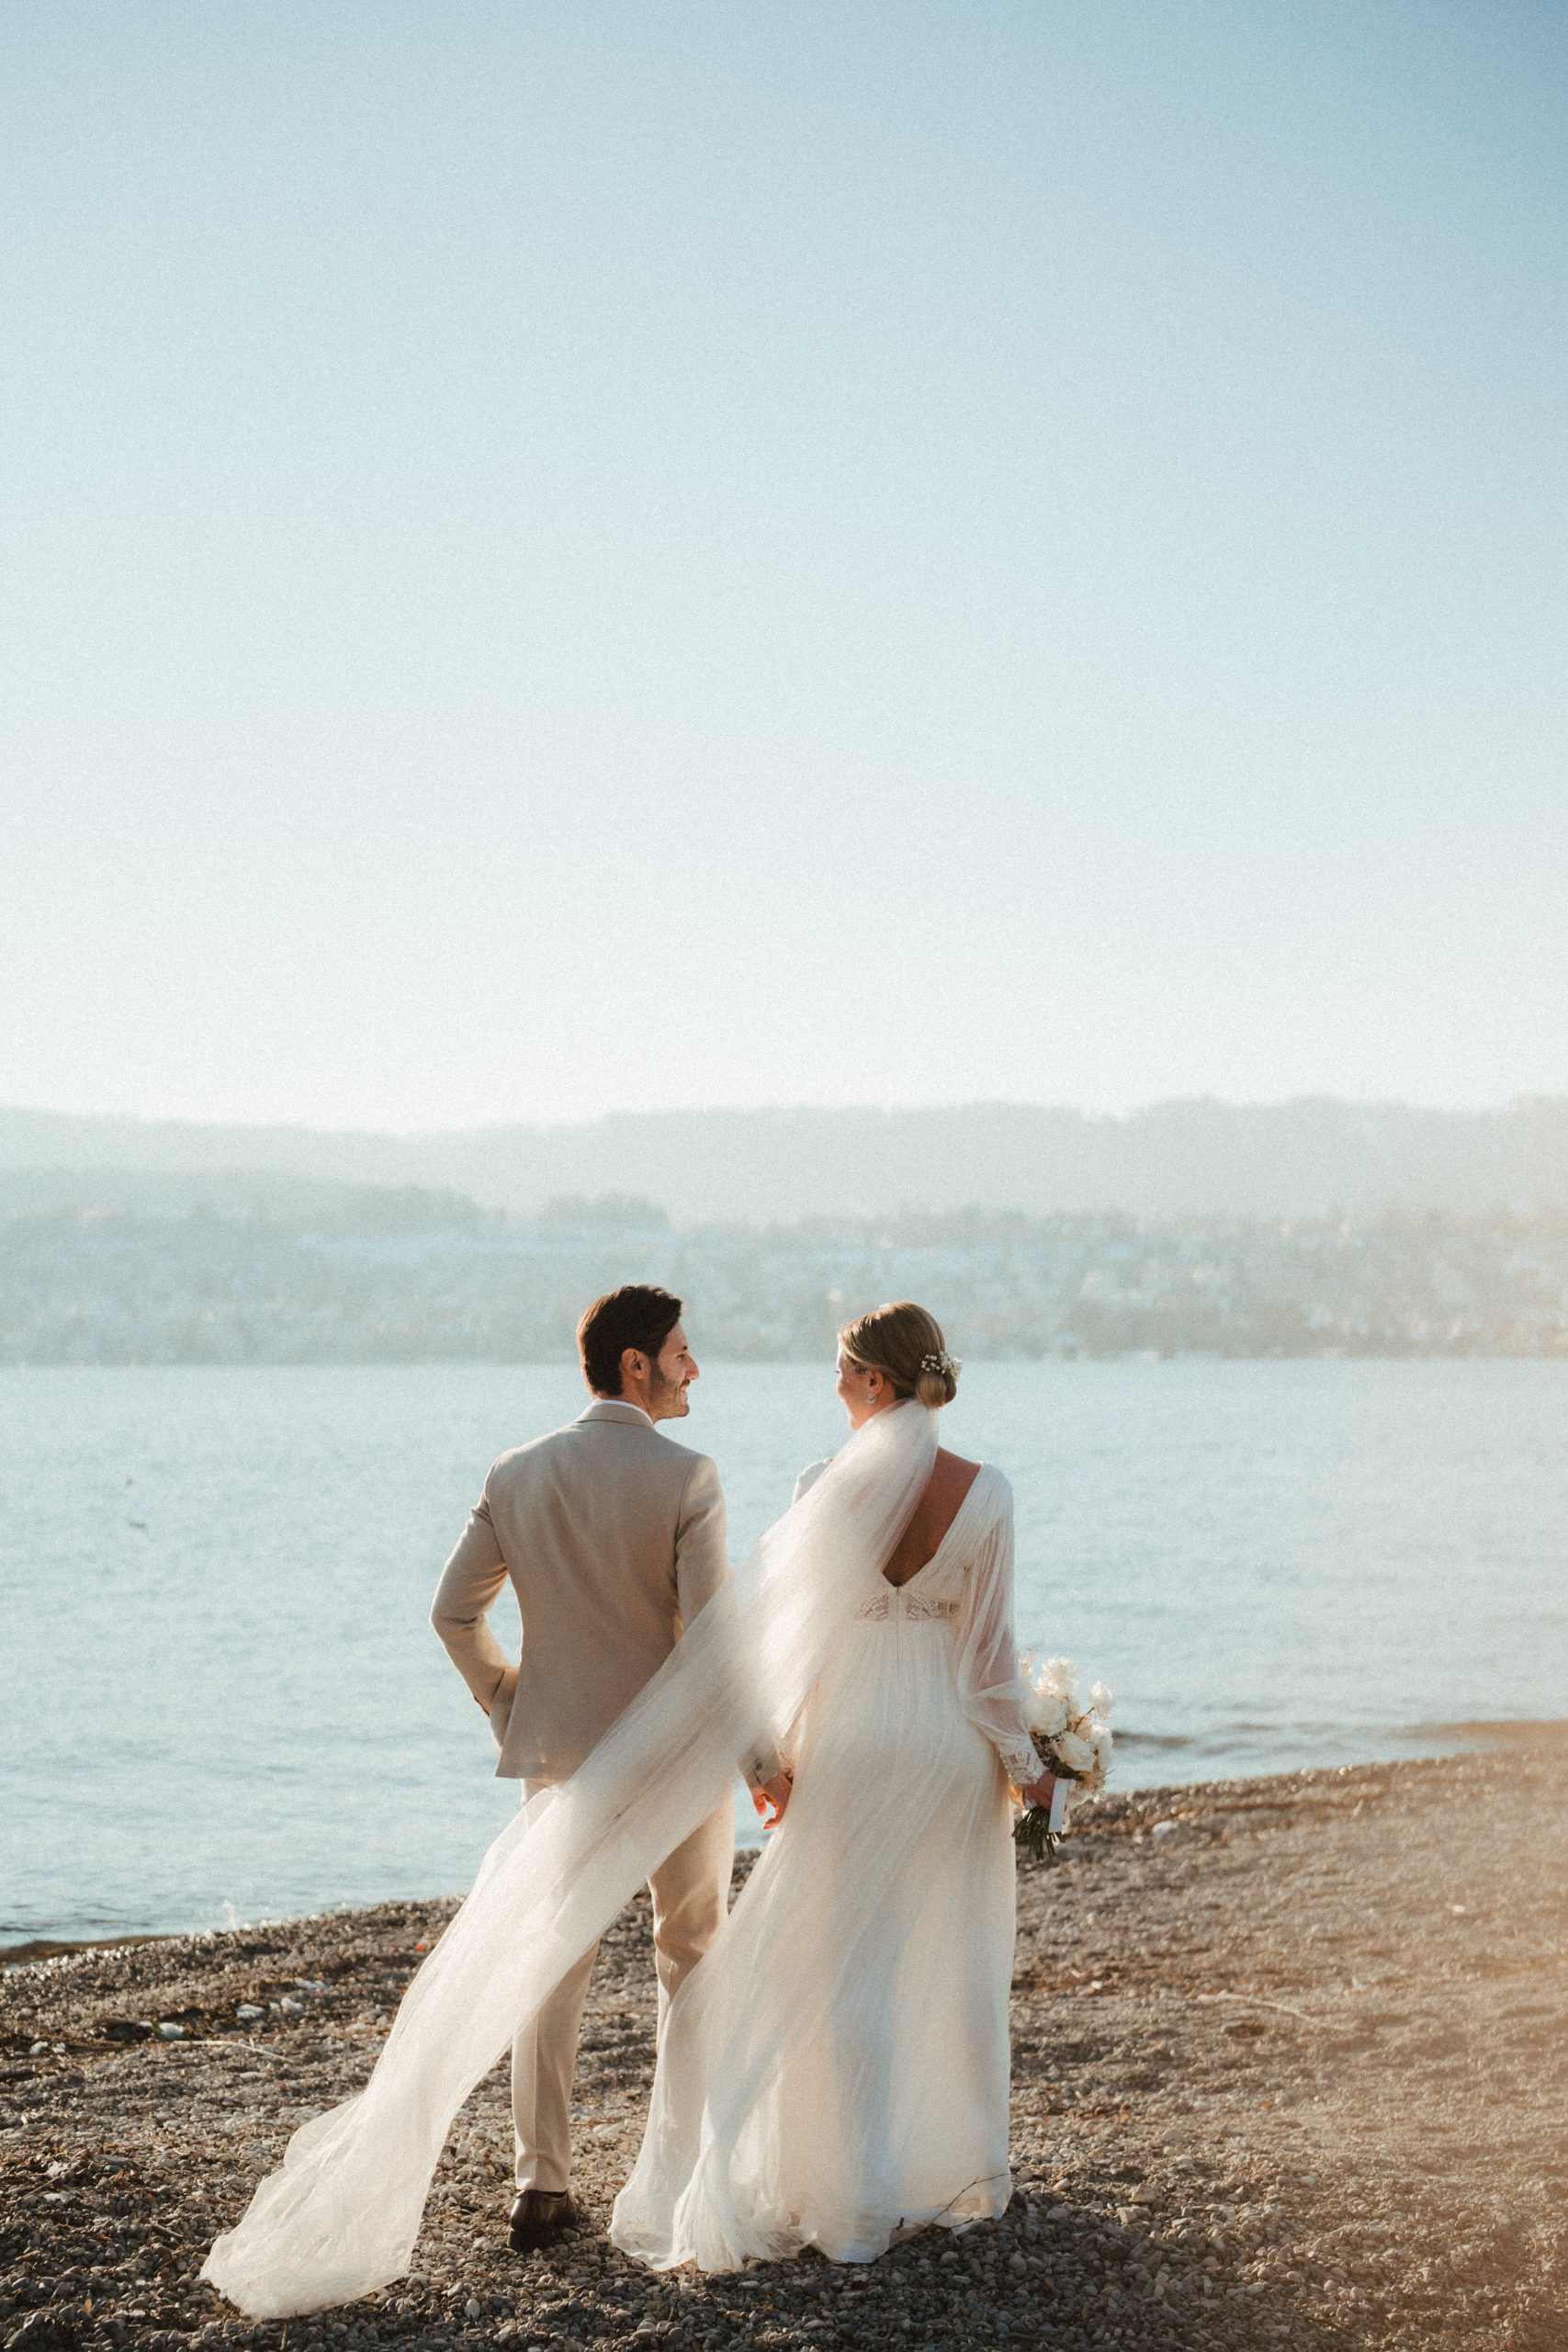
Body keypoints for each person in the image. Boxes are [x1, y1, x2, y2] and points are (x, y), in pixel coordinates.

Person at [611, 1301, 1055, 2271]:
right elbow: (991, 1661)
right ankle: (950, 2171)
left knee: (839, 1960)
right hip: (945, 1743)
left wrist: (779, 1761)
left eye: (842, 1369)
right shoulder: (988, 1492)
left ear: (876, 1383)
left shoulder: (823, 1486)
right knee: (946, 1943)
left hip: (851, 1742)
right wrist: (1032, 1773)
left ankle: (853, 2186)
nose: (833, 1385)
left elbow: (796, 1650)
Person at [428, 1283, 792, 2251]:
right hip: (676, 1761)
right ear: (636, 1363)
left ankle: (539, 2187)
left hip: (566, 1763)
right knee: (692, 1954)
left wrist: (510, 1703)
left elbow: (452, 1614)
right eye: (681, 1351)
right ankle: (683, 2175)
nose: (693, 1367)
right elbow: (714, 1641)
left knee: (553, 1963)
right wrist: (764, 1756)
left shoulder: (517, 1472)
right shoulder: (687, 1477)